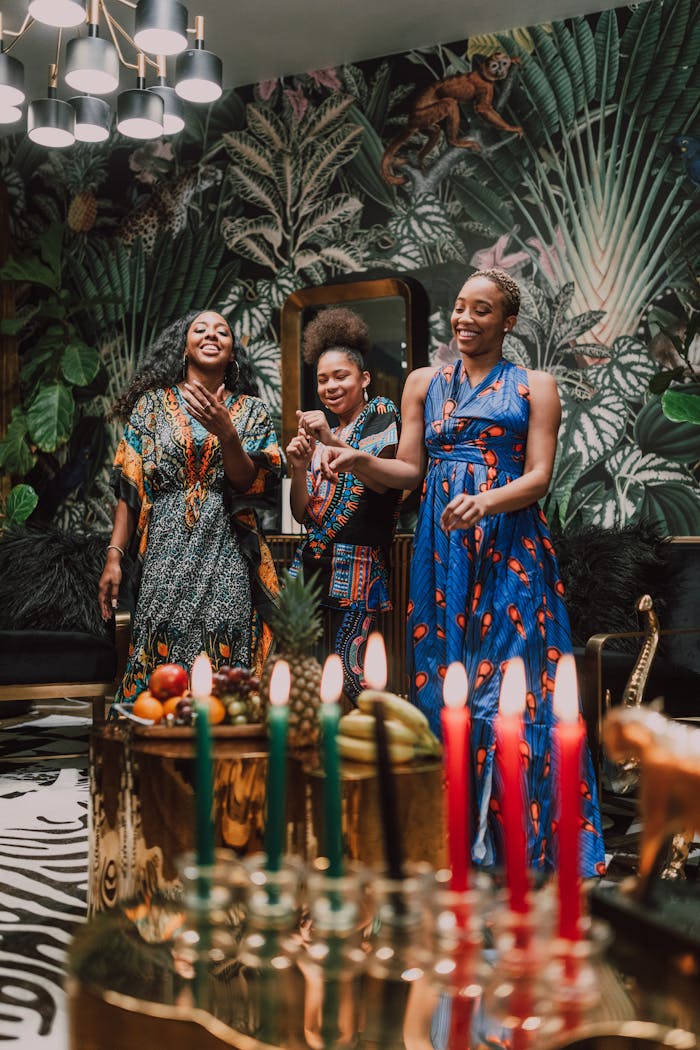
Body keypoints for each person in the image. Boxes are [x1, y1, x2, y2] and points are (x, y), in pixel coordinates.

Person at [325, 269, 605, 875]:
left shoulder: (537, 386)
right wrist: (358, 461)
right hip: (441, 552)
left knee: (512, 686)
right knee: (443, 683)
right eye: (459, 308)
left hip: (512, 551)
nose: (465, 319)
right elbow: (408, 472)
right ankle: (450, 841)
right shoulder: (425, 383)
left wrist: (486, 500)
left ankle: (521, 847)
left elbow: (537, 477)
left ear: (507, 321)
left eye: (482, 310)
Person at [98, 310, 281, 706]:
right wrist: (114, 555)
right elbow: (130, 491)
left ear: (233, 353)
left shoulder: (252, 412)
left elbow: (248, 484)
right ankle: (153, 755)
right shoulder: (150, 407)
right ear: (184, 347)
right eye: (201, 329)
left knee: (224, 645)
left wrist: (228, 435)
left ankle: (223, 756)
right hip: (164, 554)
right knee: (159, 647)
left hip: (227, 552)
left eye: (223, 331)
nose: (212, 335)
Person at [286, 307, 401, 700]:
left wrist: (329, 442)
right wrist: (299, 468)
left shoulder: (380, 413)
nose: (330, 386)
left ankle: (357, 754)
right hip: (310, 570)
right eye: (322, 380)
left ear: (363, 378)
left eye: (340, 376)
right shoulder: (325, 435)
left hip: (357, 571)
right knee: (303, 675)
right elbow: (303, 513)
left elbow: (380, 480)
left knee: (350, 676)